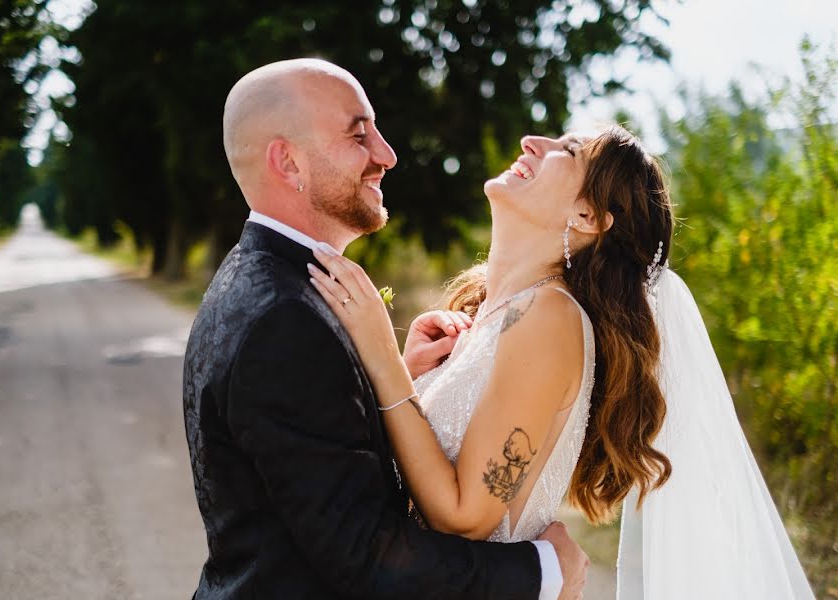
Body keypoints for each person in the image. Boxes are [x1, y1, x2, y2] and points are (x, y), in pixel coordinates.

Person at [310, 125, 816, 599]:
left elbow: (466, 517)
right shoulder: (490, 318)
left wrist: (382, 360)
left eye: (569, 151)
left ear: (588, 217)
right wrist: (413, 375)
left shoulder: (550, 319)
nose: (533, 141)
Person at [182, 58, 589, 599]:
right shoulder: (286, 318)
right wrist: (544, 571)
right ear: (289, 162)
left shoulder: (269, 280)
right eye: (359, 135)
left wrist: (393, 376)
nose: (387, 155)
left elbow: (326, 470)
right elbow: (363, 555)